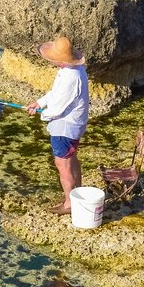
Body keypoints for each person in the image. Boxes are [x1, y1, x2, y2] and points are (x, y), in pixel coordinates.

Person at [25, 35, 90, 215]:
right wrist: (39, 103)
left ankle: (69, 204)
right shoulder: (72, 70)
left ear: (61, 60)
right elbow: (55, 93)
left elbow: (58, 108)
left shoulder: (71, 77)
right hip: (71, 125)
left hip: (65, 127)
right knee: (71, 159)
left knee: (62, 164)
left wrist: (42, 114)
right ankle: (77, 194)